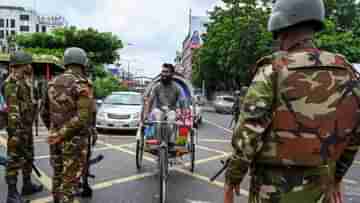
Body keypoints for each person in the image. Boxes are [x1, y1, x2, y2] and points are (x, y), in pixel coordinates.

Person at [224, 0, 360, 202]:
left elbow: (249, 133)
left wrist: (232, 178)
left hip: (272, 190)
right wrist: (336, 177)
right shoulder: (348, 72)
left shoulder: (273, 70)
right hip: (322, 188)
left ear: (282, 28)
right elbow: (354, 134)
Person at [41, 47, 94, 203]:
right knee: (69, 181)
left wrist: (55, 132)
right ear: (83, 63)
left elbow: (44, 112)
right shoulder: (83, 84)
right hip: (74, 140)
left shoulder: (52, 83)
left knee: (57, 176)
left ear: (65, 63)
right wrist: (63, 133)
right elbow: (83, 116)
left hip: (55, 138)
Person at [4, 51, 43, 203]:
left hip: (26, 129)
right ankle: (12, 195)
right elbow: (13, 112)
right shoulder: (11, 84)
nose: (30, 66)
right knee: (14, 161)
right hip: (17, 131)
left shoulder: (24, 82)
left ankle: (27, 185)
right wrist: (15, 135)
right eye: (28, 64)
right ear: (21, 65)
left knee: (28, 158)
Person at [146, 63, 181, 147]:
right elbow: (150, 100)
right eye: (163, 72)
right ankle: (158, 141)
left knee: (171, 121)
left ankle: (169, 141)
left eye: (166, 72)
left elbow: (182, 102)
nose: (164, 74)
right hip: (159, 109)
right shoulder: (157, 86)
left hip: (171, 110)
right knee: (158, 121)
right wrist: (147, 115)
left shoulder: (177, 88)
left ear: (172, 73)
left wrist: (181, 113)